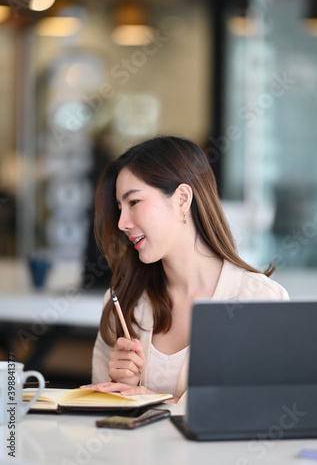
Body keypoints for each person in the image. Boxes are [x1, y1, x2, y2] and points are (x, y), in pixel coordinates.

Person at [82, 135, 289, 404]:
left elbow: (265, 410)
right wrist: (121, 388)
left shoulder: (262, 301)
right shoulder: (124, 301)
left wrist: (154, 401)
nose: (122, 223)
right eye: (119, 208)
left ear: (182, 198)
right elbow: (100, 417)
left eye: (133, 203)